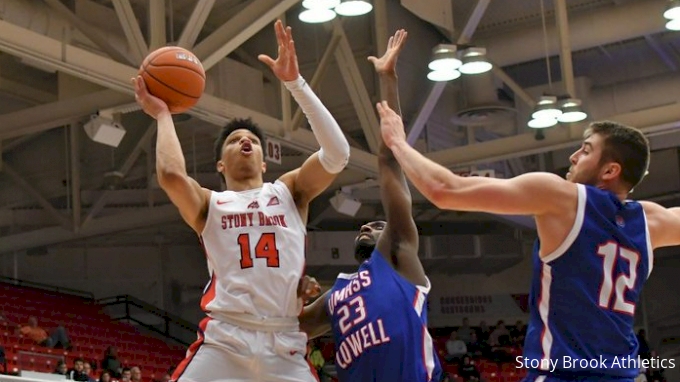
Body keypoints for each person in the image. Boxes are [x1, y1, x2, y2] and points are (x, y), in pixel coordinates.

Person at [378, 101, 680, 381]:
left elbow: (444, 189)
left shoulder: (561, 197)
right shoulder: (652, 221)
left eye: (586, 151)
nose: (573, 156)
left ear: (610, 171)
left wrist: (398, 143)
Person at [133, 19, 348, 382]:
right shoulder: (209, 204)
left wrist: (295, 83)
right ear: (220, 164)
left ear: (264, 160)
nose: (245, 141)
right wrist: (164, 115)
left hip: (284, 341)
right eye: (234, 140)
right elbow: (170, 175)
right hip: (226, 339)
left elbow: (337, 154)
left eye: (252, 139)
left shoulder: (289, 192)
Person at [299, 29, 441, 382]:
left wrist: (388, 80)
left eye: (378, 225)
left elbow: (389, 161)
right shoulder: (336, 296)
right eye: (366, 225)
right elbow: (289, 328)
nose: (367, 226)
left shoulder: (398, 256)